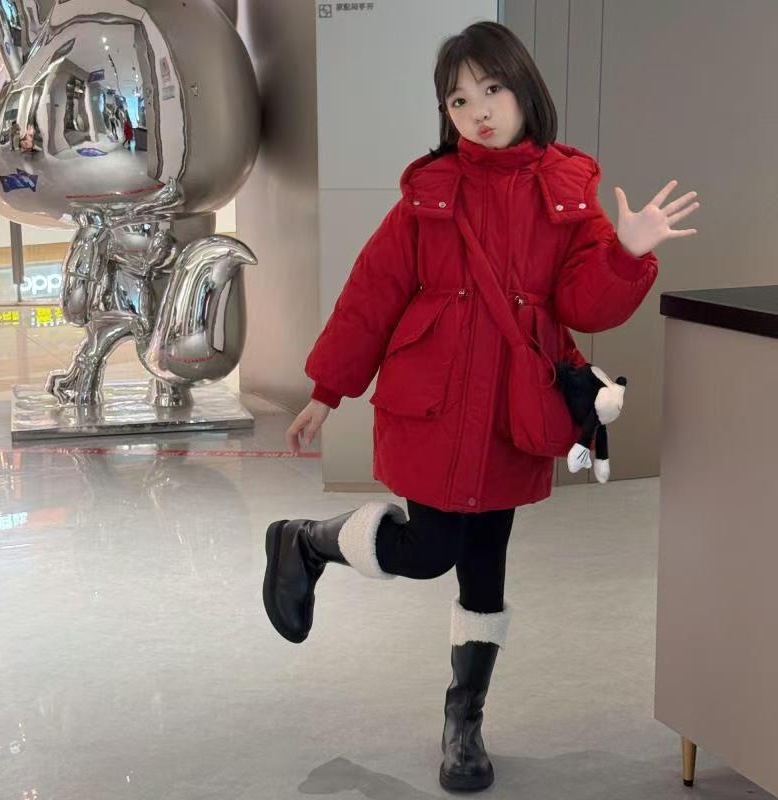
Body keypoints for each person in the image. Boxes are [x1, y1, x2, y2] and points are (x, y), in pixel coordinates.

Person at [262, 20, 699, 793]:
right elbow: (371, 295)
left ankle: (464, 723)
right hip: (433, 407)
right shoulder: (429, 193)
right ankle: (308, 543)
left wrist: (627, 253)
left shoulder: (567, 191)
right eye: (458, 99)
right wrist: (327, 390)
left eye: (492, 89)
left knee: (486, 567)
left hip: (510, 412)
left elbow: (584, 306)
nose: (478, 110)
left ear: (525, 90)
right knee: (430, 549)